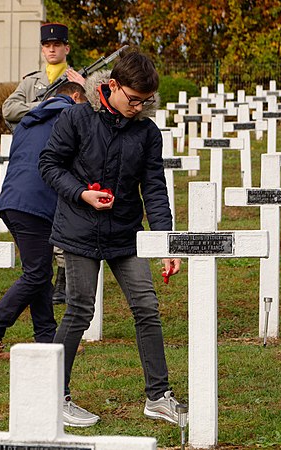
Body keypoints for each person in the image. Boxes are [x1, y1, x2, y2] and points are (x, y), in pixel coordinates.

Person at [38, 50, 184, 428]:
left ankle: (158, 396)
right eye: (132, 99)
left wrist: (165, 241)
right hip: (78, 229)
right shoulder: (77, 117)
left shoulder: (148, 133)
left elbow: (154, 187)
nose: (138, 107)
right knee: (79, 310)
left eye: (145, 101)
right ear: (113, 85)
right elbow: (49, 165)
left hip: (125, 233)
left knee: (147, 307)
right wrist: (81, 193)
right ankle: (53, 394)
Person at [0, 82, 87, 361]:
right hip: (35, 204)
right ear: (76, 96)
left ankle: (47, 338)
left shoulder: (30, 119)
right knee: (36, 274)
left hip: (14, 201)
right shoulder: (68, 115)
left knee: (40, 271)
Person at [2, 22, 83, 305]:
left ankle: (61, 281)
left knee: (63, 214)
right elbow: (8, 109)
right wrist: (44, 106)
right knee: (39, 220)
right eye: (47, 45)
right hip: (36, 156)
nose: (51, 49)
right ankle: (42, 278)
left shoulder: (79, 80)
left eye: (57, 45)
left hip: (66, 158)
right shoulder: (31, 82)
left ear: (66, 48)